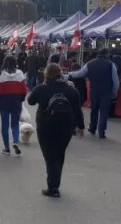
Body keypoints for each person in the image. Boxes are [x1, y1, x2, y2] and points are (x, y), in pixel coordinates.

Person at [28, 64, 85, 197]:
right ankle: (54, 184)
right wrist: (80, 127)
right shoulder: (71, 90)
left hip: (45, 125)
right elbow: (77, 109)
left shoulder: (42, 88)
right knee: (59, 154)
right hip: (66, 125)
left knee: (49, 156)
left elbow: (30, 101)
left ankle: (53, 187)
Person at [69, 48, 119, 138]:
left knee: (94, 111)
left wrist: (68, 74)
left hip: (94, 91)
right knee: (104, 112)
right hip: (106, 92)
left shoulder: (90, 63)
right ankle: (101, 132)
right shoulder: (111, 64)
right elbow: (115, 80)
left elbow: (79, 74)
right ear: (107, 54)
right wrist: (115, 91)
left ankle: (92, 128)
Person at [0, 55, 28, 155]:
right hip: (16, 101)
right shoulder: (20, 74)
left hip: (4, 101)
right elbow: (24, 89)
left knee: (4, 125)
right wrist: (21, 99)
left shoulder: (1, 74)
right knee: (15, 124)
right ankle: (15, 141)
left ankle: (7, 148)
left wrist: (1, 99)